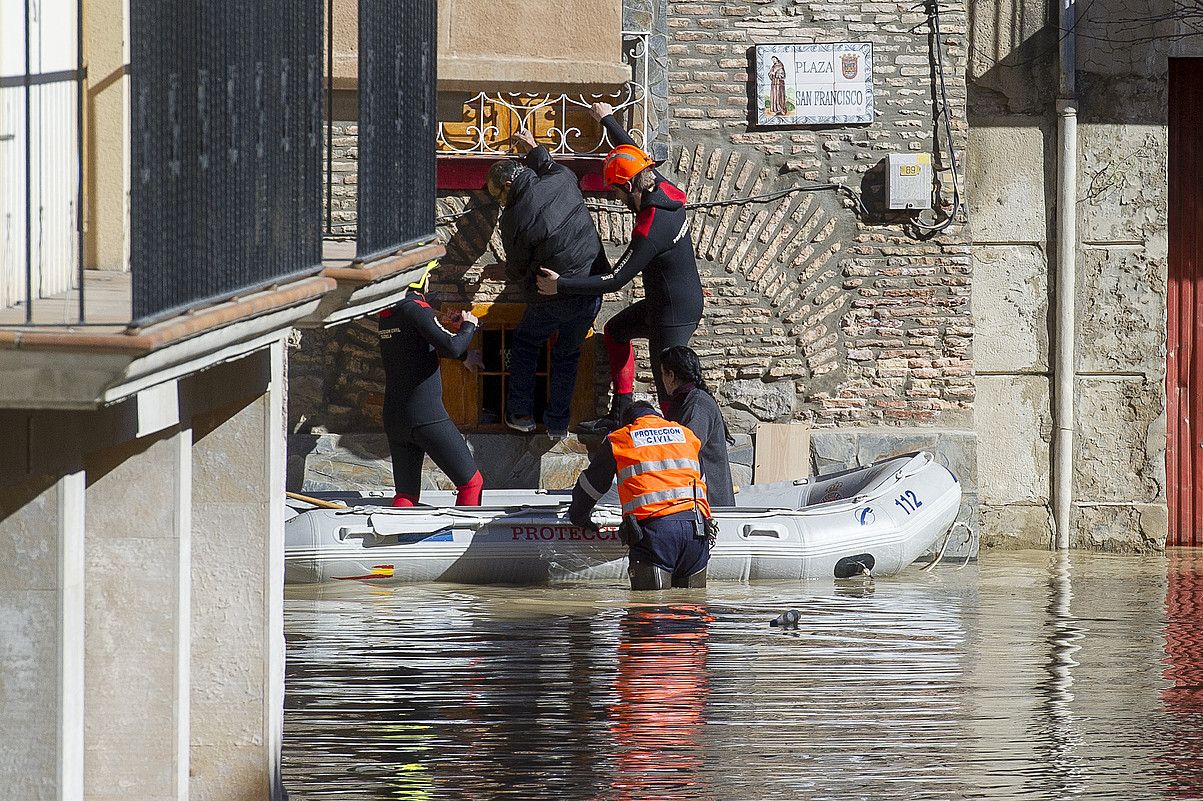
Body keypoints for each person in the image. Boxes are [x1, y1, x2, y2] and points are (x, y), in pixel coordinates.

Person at [536, 102, 704, 435]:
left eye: (614, 190)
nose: (615, 197)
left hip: (673, 312)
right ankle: (622, 411)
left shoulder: (652, 226)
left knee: (668, 384)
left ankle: (688, 442)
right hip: (667, 301)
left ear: (628, 188)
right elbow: (633, 153)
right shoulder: (663, 187)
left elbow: (616, 279)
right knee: (615, 331)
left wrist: (562, 285)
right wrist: (607, 120)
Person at [487, 128, 609, 439]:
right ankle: (557, 423)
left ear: (510, 185)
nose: (501, 202)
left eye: (500, 195)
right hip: (590, 286)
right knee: (568, 354)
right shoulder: (563, 178)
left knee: (527, 345)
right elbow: (548, 164)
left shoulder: (514, 218)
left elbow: (517, 268)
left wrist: (502, 271)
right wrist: (533, 147)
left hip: (552, 295)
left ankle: (520, 413)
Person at [568, 400, 713, 589]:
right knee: (693, 609)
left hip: (656, 534)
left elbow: (592, 485)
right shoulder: (686, 435)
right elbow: (701, 483)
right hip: (697, 531)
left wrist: (579, 516)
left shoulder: (620, 438)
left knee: (649, 610)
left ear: (627, 421)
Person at [378, 261, 484, 507]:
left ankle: (397, 542)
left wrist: (450, 332)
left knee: (406, 495)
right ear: (421, 279)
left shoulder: (388, 313)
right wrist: (469, 327)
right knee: (472, 483)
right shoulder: (417, 309)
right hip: (426, 416)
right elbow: (452, 346)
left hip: (395, 417)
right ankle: (464, 540)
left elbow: (418, 344)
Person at [658, 345, 736, 506]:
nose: (662, 380)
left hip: (709, 502)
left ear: (671, 376)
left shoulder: (697, 406)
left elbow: (685, 450)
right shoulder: (684, 402)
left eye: (662, 374)